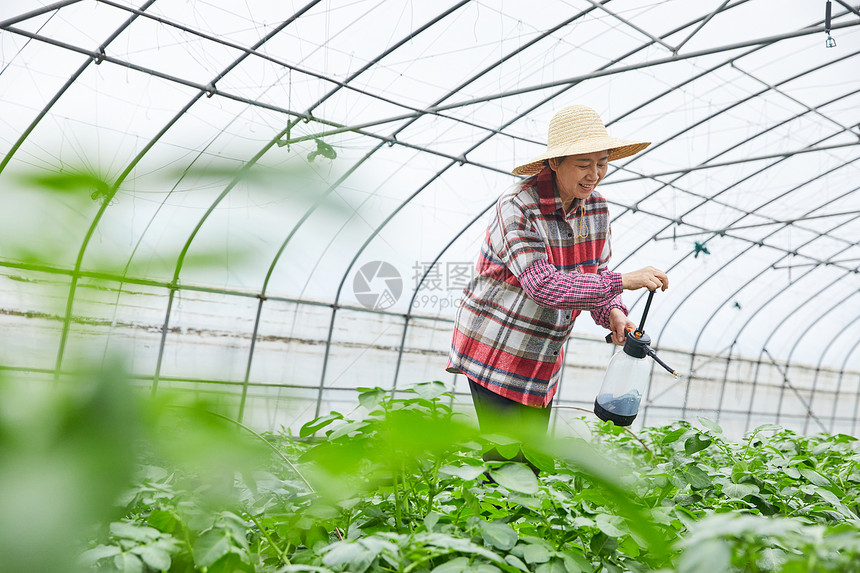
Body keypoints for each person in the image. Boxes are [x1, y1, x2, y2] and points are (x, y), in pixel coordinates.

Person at [446, 105, 669, 456]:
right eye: (583, 164)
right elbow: (544, 286)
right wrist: (623, 281)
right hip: (497, 347)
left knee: (530, 460)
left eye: (602, 163)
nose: (594, 174)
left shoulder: (596, 209)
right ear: (555, 162)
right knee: (507, 462)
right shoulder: (518, 206)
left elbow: (595, 277)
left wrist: (613, 313)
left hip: (541, 356)